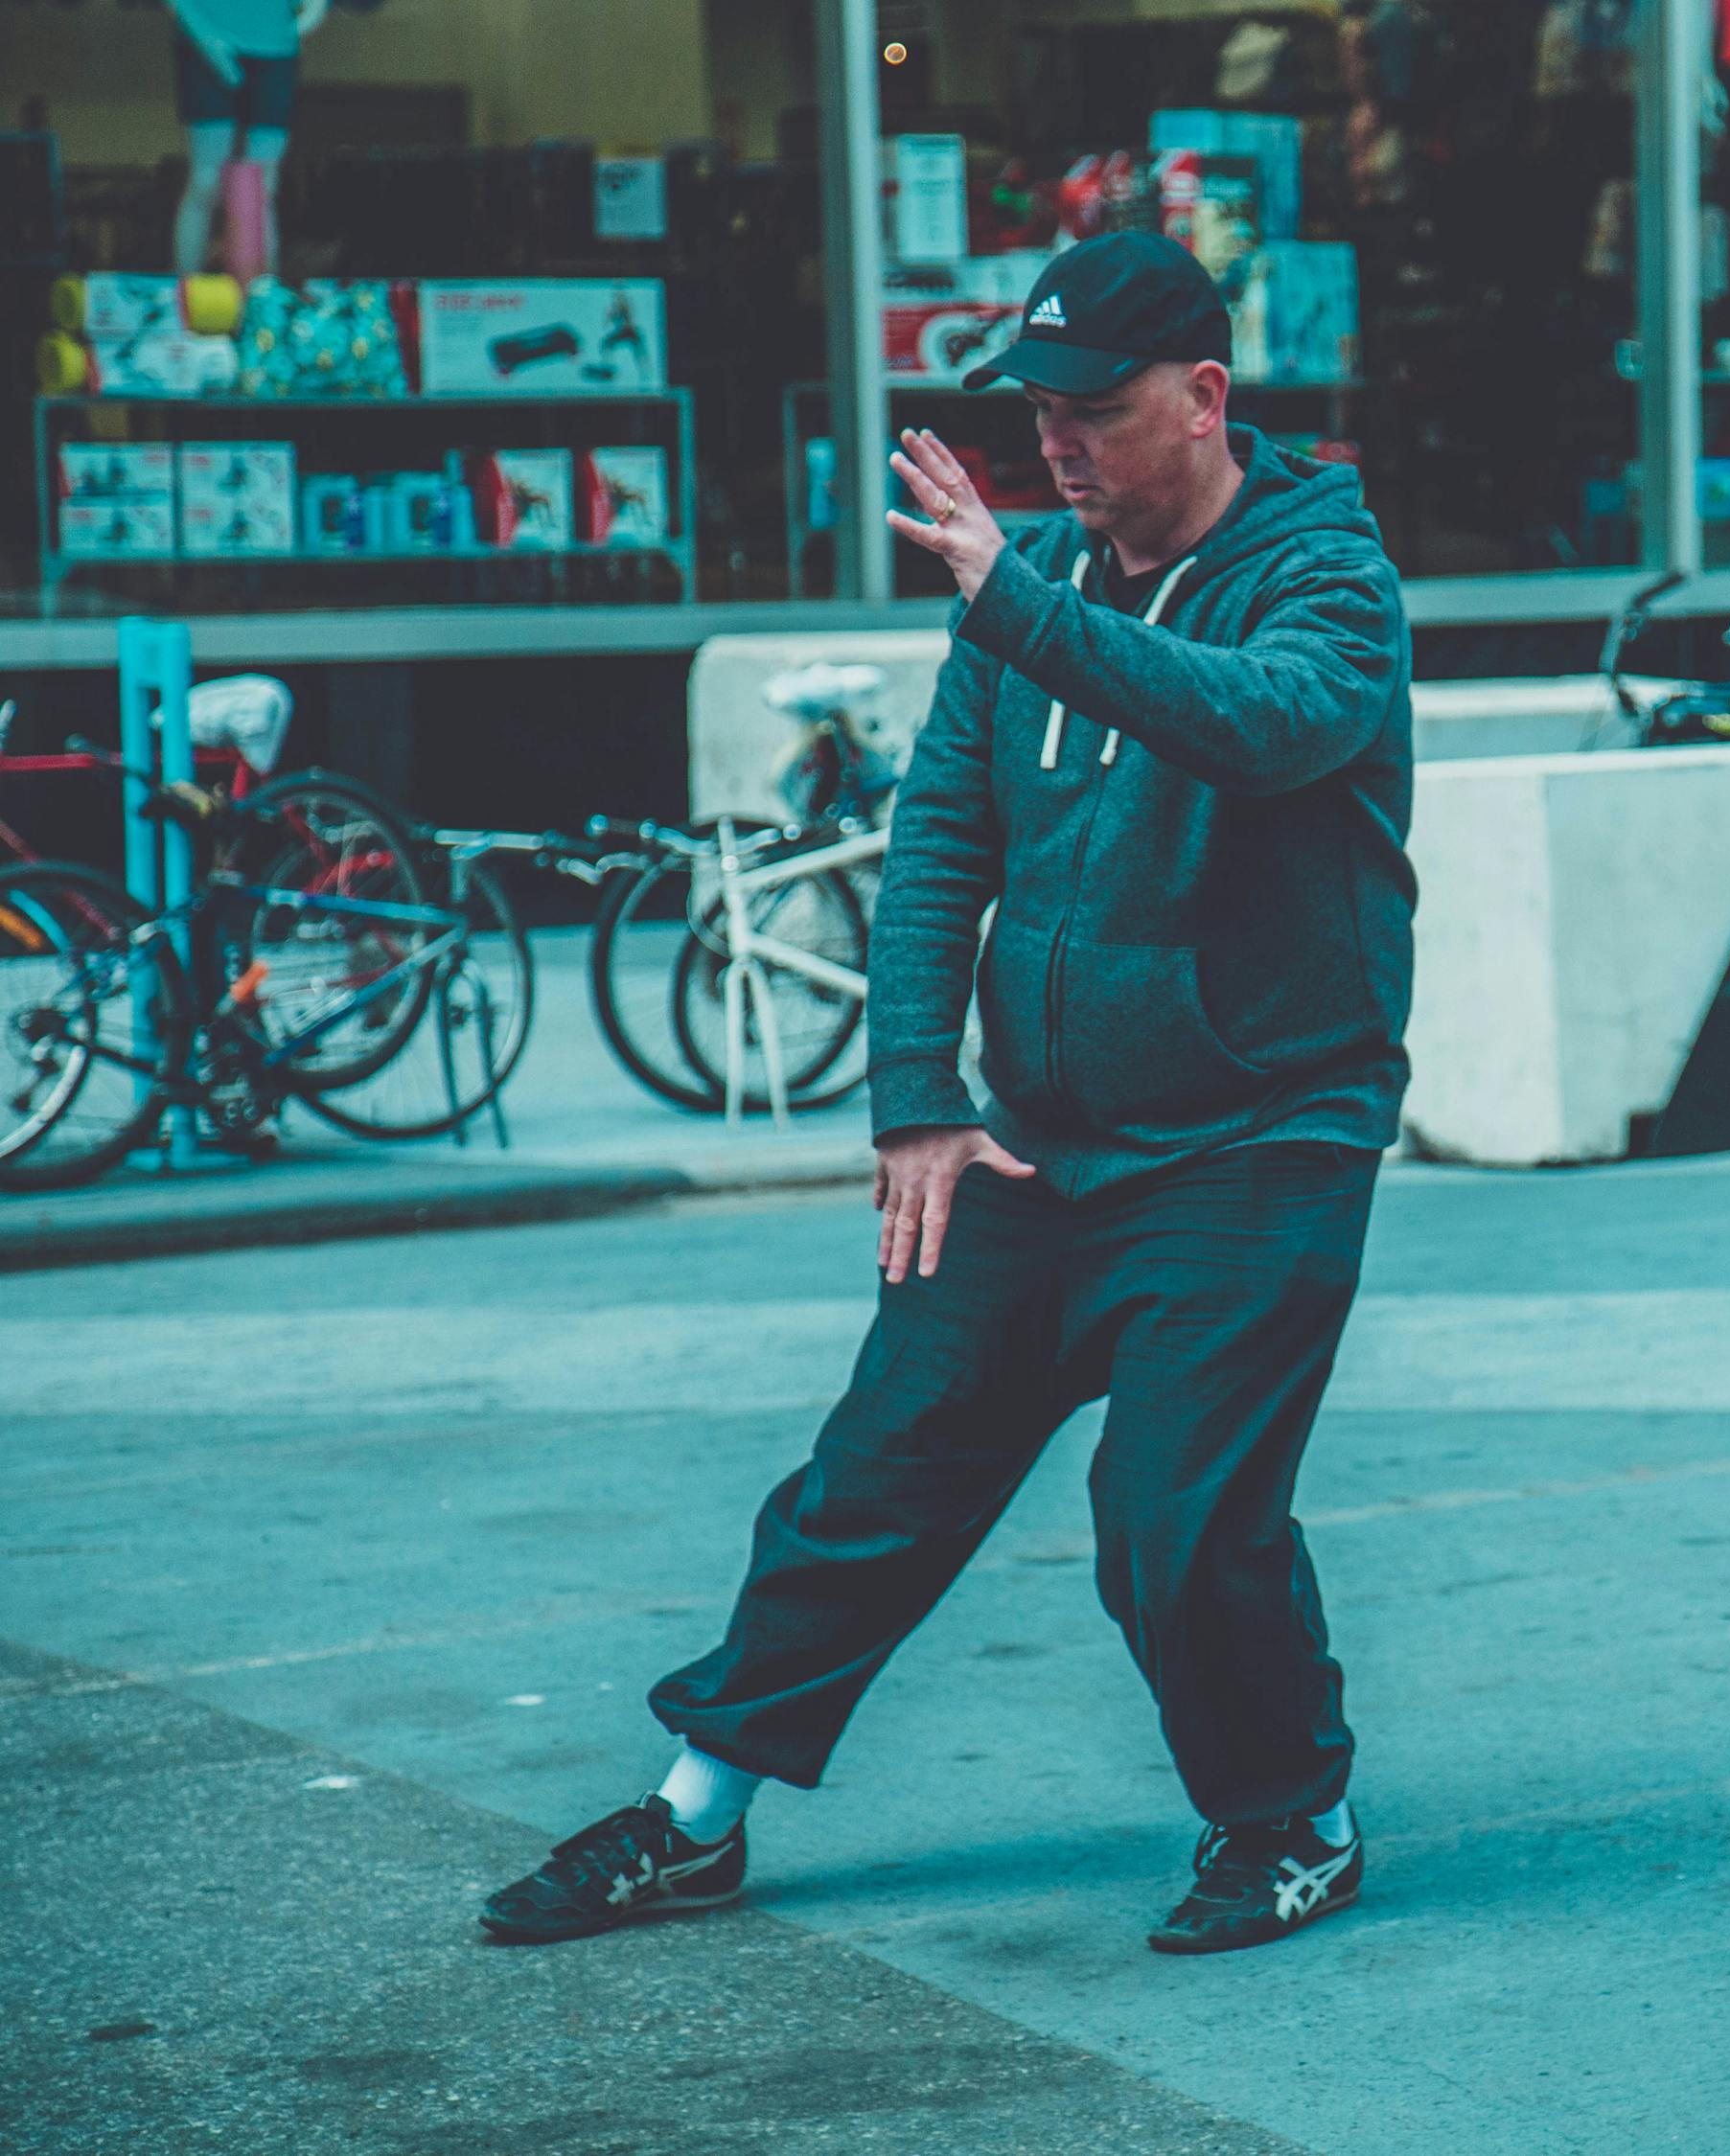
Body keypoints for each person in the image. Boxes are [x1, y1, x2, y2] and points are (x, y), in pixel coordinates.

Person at [480, 233, 1415, 1959]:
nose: (1055, 443)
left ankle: (1293, 1820)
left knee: (1174, 1522)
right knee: (879, 1468)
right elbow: (941, 848)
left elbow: (1267, 726)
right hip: (1037, 1137)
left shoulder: (1324, 576)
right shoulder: (1031, 584)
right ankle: (695, 1822)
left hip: (1260, 1138)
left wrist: (1023, 606)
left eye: (1094, 409)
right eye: (1033, 410)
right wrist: (914, 1093)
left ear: (1205, 399)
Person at [169, 0, 325, 280]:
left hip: (277, 46)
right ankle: (186, 288)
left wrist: (312, 13)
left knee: (265, 181)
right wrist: (200, 32)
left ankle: (262, 291)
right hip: (206, 36)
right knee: (206, 179)